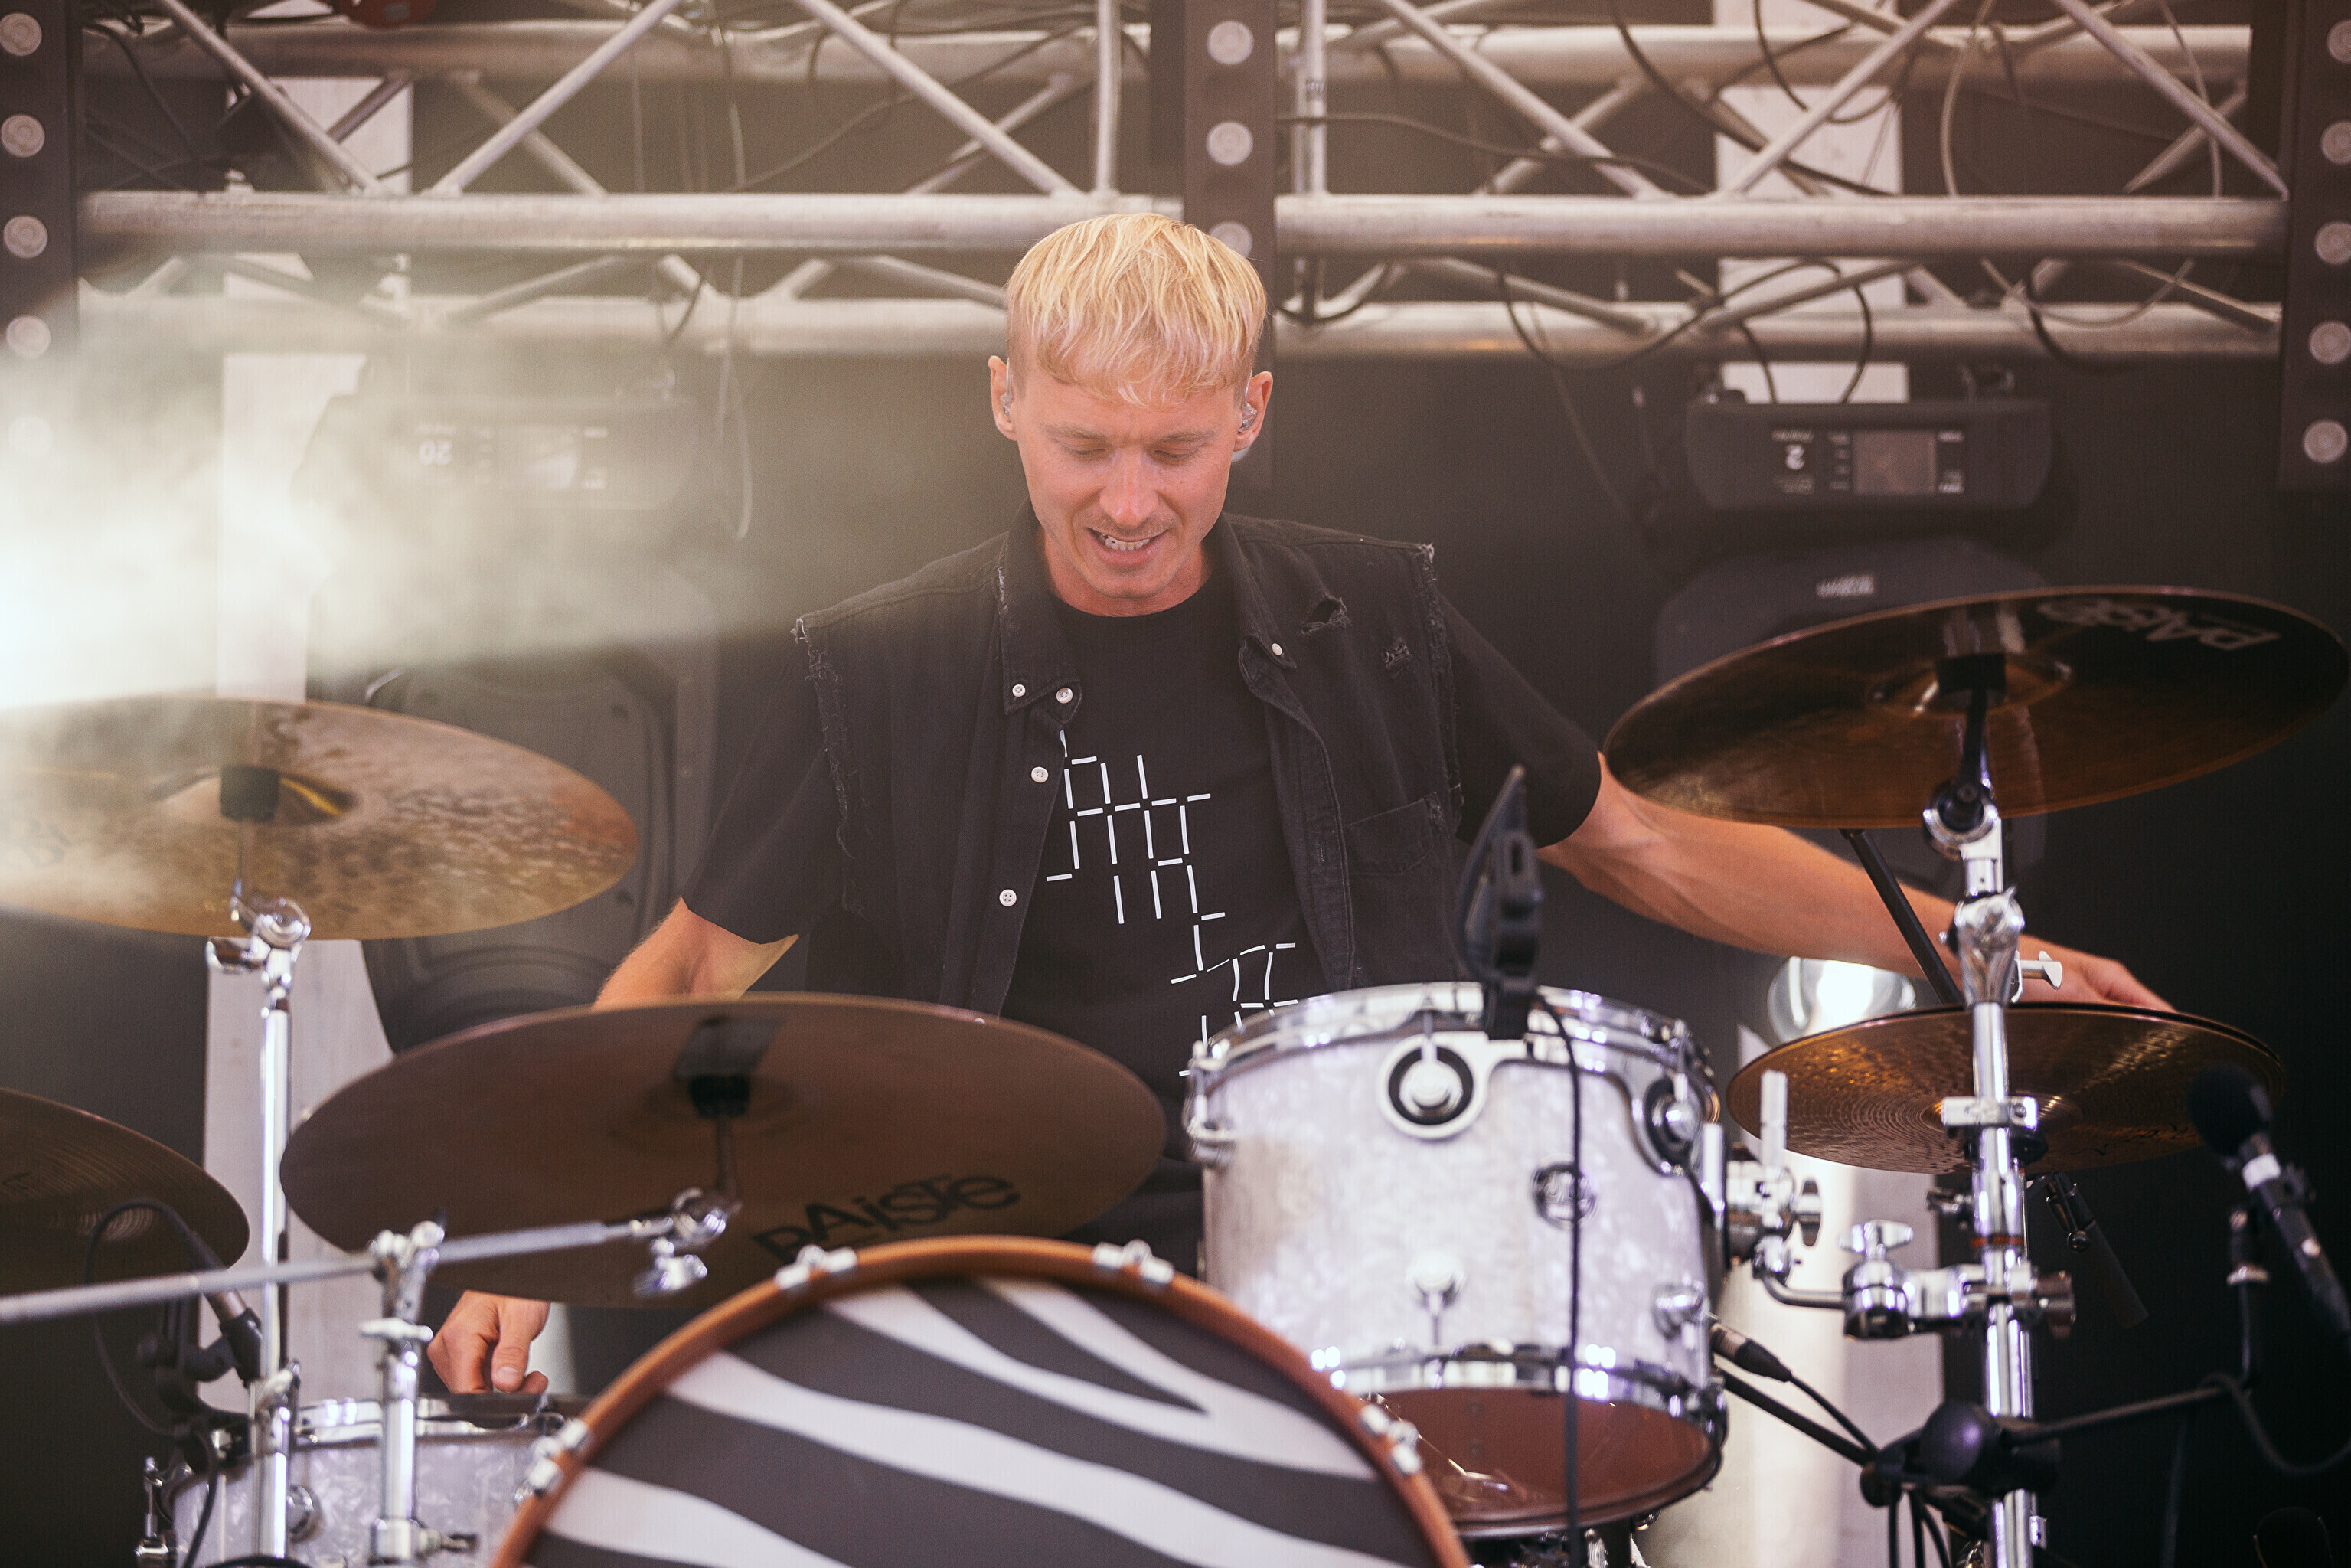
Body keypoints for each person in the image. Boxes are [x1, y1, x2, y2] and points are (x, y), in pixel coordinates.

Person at [429, 212, 2161, 1396]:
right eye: (1084, 445)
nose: (1127, 500)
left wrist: (1978, 951)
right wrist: (535, 1230)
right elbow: (689, 969)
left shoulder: (1373, 623)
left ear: (1251, 416)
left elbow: (1641, 842)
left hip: (1347, 1274)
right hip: (999, 1288)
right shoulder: (877, 669)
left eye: (1174, 450)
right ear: (1004, 401)